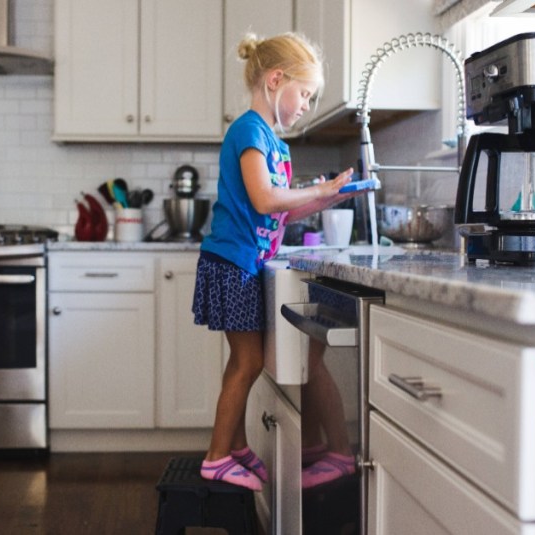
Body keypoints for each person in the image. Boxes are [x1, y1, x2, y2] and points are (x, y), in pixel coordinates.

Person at [191, 32, 360, 491]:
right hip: (233, 263)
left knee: (241, 362)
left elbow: (282, 208)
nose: (306, 104)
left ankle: (235, 446)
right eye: (304, 93)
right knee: (247, 364)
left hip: (243, 263)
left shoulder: (274, 143)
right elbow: (265, 200)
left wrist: (327, 199)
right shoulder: (248, 130)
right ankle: (217, 458)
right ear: (275, 79)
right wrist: (320, 189)